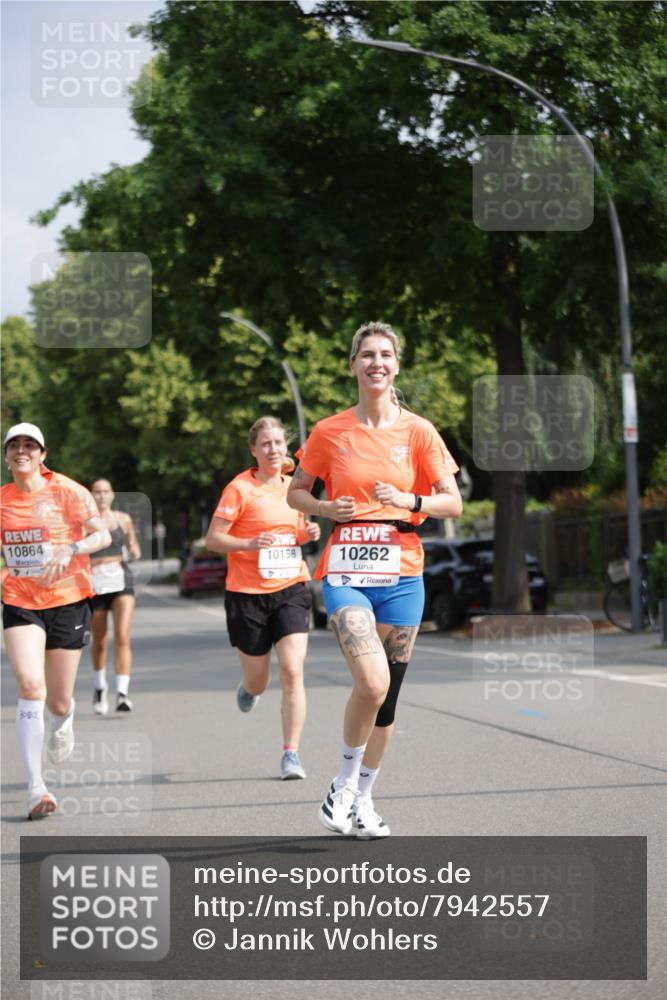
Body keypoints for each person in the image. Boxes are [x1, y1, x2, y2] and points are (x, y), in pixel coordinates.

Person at [287, 322, 462, 838]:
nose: (377, 362)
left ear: (397, 365)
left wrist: (410, 500)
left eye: (386, 354)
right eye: (367, 354)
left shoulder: (419, 432)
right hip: (347, 568)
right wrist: (322, 505)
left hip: (404, 572)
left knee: (387, 701)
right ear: (353, 365)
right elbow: (295, 492)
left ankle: (364, 798)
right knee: (371, 681)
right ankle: (342, 784)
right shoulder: (329, 431)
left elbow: (452, 501)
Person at [1, 423, 111, 819]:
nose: (22, 451)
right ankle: (36, 789)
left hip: (68, 600)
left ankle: (63, 721)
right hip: (20, 601)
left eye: (30, 445)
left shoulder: (68, 490)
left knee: (59, 699)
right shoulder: (2, 500)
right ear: (7, 455)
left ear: (43, 455)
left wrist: (72, 548)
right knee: (31, 686)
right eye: (15, 445)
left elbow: (103, 536)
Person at [205, 416, 321, 780]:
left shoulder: (297, 489)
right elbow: (213, 539)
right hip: (247, 594)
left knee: (291, 669)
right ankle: (250, 689)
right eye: (265, 444)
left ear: (286, 446)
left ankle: (291, 754)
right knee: (259, 679)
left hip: (291, 587)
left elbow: (297, 533)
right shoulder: (239, 489)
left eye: (277, 442)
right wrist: (248, 543)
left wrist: (308, 533)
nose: (272, 449)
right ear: (254, 450)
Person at [89, 479, 142, 714]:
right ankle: (100, 687)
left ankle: (122, 693)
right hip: (95, 581)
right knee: (100, 640)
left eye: (105, 492)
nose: (101, 496)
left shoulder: (123, 519)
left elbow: (134, 547)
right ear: (91, 495)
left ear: (112, 495)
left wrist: (134, 551)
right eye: (97, 492)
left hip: (121, 579)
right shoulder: (85, 523)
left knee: (122, 636)